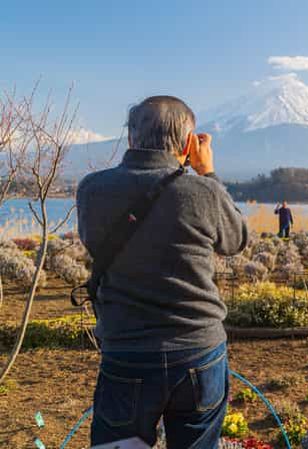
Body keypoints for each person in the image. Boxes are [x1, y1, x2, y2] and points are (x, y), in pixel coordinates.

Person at [76, 96, 248, 448]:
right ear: (188, 144)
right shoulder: (203, 192)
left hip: (126, 351)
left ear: (130, 140)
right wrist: (207, 172)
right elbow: (237, 239)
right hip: (199, 350)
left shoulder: (91, 190)